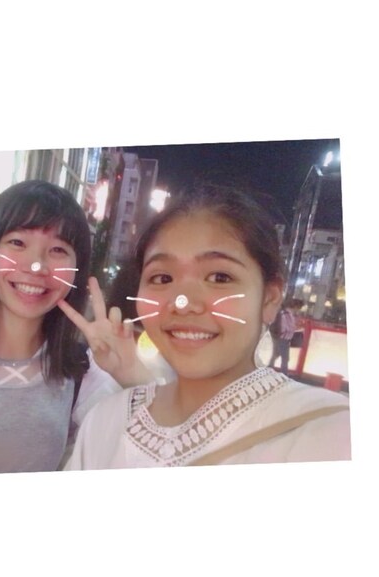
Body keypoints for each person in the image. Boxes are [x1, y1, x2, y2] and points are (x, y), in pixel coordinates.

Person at [66, 183, 351, 469]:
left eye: (219, 278)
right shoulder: (105, 422)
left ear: (270, 298)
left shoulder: (328, 432)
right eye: (163, 278)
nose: (183, 303)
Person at [0, 180, 153, 476]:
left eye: (58, 249)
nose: (36, 266)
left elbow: (162, 447)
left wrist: (132, 374)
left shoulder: (81, 373)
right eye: (18, 243)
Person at [268, 298, 303, 374]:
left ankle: (269, 369)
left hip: (281, 337)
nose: (299, 310)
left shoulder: (286, 313)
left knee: (276, 354)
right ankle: (284, 373)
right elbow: (285, 327)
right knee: (285, 358)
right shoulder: (286, 314)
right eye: (299, 308)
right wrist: (294, 329)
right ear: (295, 307)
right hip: (283, 338)